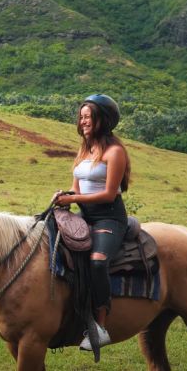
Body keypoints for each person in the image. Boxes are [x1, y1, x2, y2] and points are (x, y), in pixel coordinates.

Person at [54, 94, 131, 352]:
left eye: (89, 116)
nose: (83, 120)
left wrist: (75, 197)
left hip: (109, 217)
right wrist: (66, 197)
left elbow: (110, 193)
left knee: (98, 261)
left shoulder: (115, 152)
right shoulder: (84, 150)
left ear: (103, 120)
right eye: (82, 116)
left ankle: (101, 327)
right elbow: (77, 188)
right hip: (85, 215)